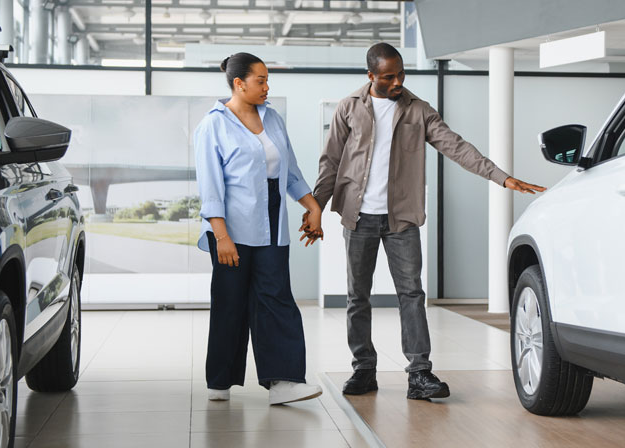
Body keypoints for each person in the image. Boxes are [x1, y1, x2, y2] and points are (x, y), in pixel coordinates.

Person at [304, 43, 545, 400]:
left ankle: (419, 374)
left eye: (401, 74)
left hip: (402, 218)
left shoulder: (418, 111)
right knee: (358, 297)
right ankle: (364, 369)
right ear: (371, 76)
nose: (398, 81)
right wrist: (316, 208)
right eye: (389, 76)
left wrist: (501, 177)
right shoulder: (349, 108)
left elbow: (457, 146)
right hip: (358, 217)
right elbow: (331, 163)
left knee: (412, 295)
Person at [194, 52, 325, 405]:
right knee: (230, 301)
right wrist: (221, 235)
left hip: (273, 222)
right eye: (261, 80)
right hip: (231, 228)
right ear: (239, 83)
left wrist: (312, 207)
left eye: (268, 80)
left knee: (276, 297)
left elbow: (291, 170)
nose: (267, 87)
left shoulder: (273, 119)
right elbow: (211, 186)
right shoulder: (213, 124)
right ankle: (219, 380)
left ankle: (283, 381)